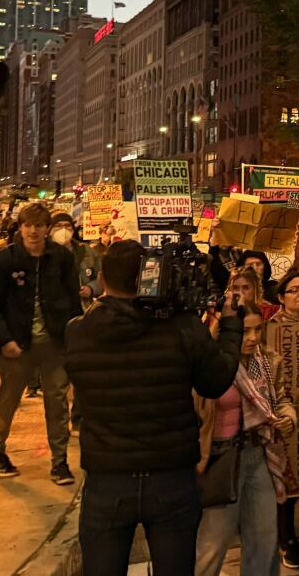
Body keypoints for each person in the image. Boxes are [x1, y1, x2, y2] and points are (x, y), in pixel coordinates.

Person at [65, 239, 241, 575]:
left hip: (108, 480)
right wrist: (230, 325)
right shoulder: (181, 327)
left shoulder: (79, 332)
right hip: (171, 477)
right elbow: (215, 382)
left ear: (102, 279)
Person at [0, 202, 81, 484]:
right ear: (20, 227)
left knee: (57, 402)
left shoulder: (61, 258)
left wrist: (73, 335)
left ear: (47, 228)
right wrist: (4, 339)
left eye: (39, 225)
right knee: (8, 399)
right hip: (16, 342)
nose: (33, 231)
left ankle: (59, 461)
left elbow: (73, 300)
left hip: (55, 341)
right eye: (28, 225)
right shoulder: (5, 260)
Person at [193, 307, 297, 576]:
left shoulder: (268, 361)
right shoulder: (211, 366)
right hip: (220, 458)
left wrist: (288, 417)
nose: (252, 337)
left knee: (264, 539)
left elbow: (282, 398)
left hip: (259, 451)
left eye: (257, 329)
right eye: (245, 331)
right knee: (212, 544)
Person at [267, 271, 299, 567]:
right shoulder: (268, 329)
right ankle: (286, 540)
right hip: (281, 411)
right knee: (283, 479)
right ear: (281, 297)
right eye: (294, 290)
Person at [50, 211, 101, 309]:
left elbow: (101, 277)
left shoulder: (86, 251)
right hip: (53, 309)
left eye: (67, 226)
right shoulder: (43, 252)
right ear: (50, 229)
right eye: (58, 226)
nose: (63, 230)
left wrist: (91, 288)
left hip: (81, 307)